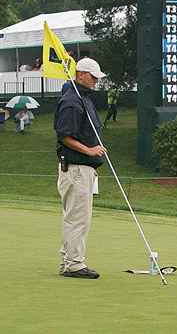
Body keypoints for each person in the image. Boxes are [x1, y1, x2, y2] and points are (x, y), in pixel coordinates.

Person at [54, 57, 107, 279]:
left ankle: (69, 260)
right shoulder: (72, 101)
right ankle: (74, 264)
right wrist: (89, 150)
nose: (96, 81)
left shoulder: (83, 98)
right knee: (77, 217)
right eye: (93, 77)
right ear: (81, 74)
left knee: (78, 216)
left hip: (82, 168)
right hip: (76, 167)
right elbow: (65, 136)